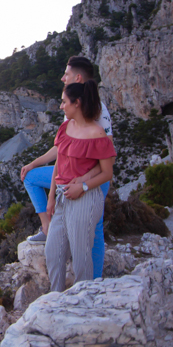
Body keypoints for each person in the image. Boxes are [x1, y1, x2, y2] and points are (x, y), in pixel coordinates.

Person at [20, 56, 113, 278]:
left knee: (95, 233)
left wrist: (83, 182)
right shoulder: (71, 106)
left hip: (92, 179)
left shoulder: (99, 112)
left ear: (78, 78)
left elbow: (106, 156)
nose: (63, 77)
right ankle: (47, 228)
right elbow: (62, 149)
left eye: (67, 74)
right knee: (31, 177)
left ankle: (94, 283)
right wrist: (35, 163)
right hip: (68, 173)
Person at [45, 81, 116, 292]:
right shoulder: (65, 128)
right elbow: (59, 162)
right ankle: (56, 298)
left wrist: (83, 186)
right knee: (53, 251)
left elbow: (107, 172)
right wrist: (51, 196)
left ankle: (83, 302)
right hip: (62, 196)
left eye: (64, 102)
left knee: (81, 257)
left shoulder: (97, 134)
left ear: (77, 103)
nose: (61, 106)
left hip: (85, 198)